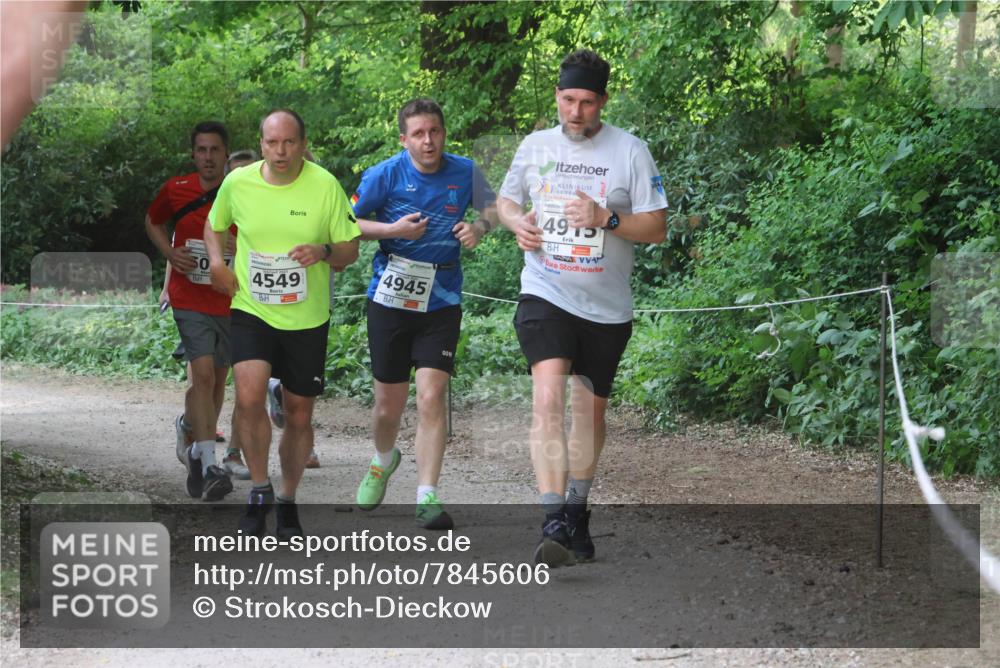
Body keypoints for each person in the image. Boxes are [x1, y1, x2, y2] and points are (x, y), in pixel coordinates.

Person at [497, 50, 668, 566]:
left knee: (588, 415)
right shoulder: (535, 146)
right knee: (547, 399)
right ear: (557, 97)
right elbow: (506, 201)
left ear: (603, 102)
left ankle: (577, 508)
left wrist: (606, 219)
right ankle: (552, 518)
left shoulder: (631, 152)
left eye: (587, 102)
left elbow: (657, 229)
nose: (576, 112)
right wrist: (516, 224)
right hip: (546, 291)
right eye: (568, 100)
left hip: (607, 307)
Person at [206, 109, 360, 538]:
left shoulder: (325, 184)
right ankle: (258, 491)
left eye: (289, 142)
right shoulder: (239, 182)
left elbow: (350, 251)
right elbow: (213, 225)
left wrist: (323, 251)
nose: (280, 151)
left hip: (307, 318)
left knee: (298, 414)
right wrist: (218, 263)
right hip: (252, 310)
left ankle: (288, 499)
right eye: (272, 142)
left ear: (303, 143)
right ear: (261, 144)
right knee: (251, 396)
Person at [350, 98, 496, 530]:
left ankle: (426, 494)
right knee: (386, 408)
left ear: (444, 133)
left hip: (443, 298)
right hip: (391, 298)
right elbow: (343, 221)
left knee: (432, 397)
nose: (428, 141)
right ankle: (382, 460)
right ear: (404, 139)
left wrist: (480, 227)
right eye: (418, 133)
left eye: (434, 131)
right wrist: (392, 230)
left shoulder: (465, 170)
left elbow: (494, 208)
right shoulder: (385, 174)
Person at [145, 121, 236, 502]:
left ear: (226, 155)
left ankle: (192, 436)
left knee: (216, 381)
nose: (208, 157)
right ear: (193, 154)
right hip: (189, 298)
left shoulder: (242, 190)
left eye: (215, 150)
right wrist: (169, 252)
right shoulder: (176, 189)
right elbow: (152, 220)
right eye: (202, 150)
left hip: (229, 299)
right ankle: (211, 462)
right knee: (201, 374)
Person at [159, 149, 258, 480]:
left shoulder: (257, 206)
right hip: (195, 303)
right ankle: (202, 450)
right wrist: (167, 288)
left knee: (219, 380)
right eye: (233, 173)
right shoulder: (208, 204)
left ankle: (206, 439)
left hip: (235, 305)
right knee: (201, 376)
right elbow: (178, 246)